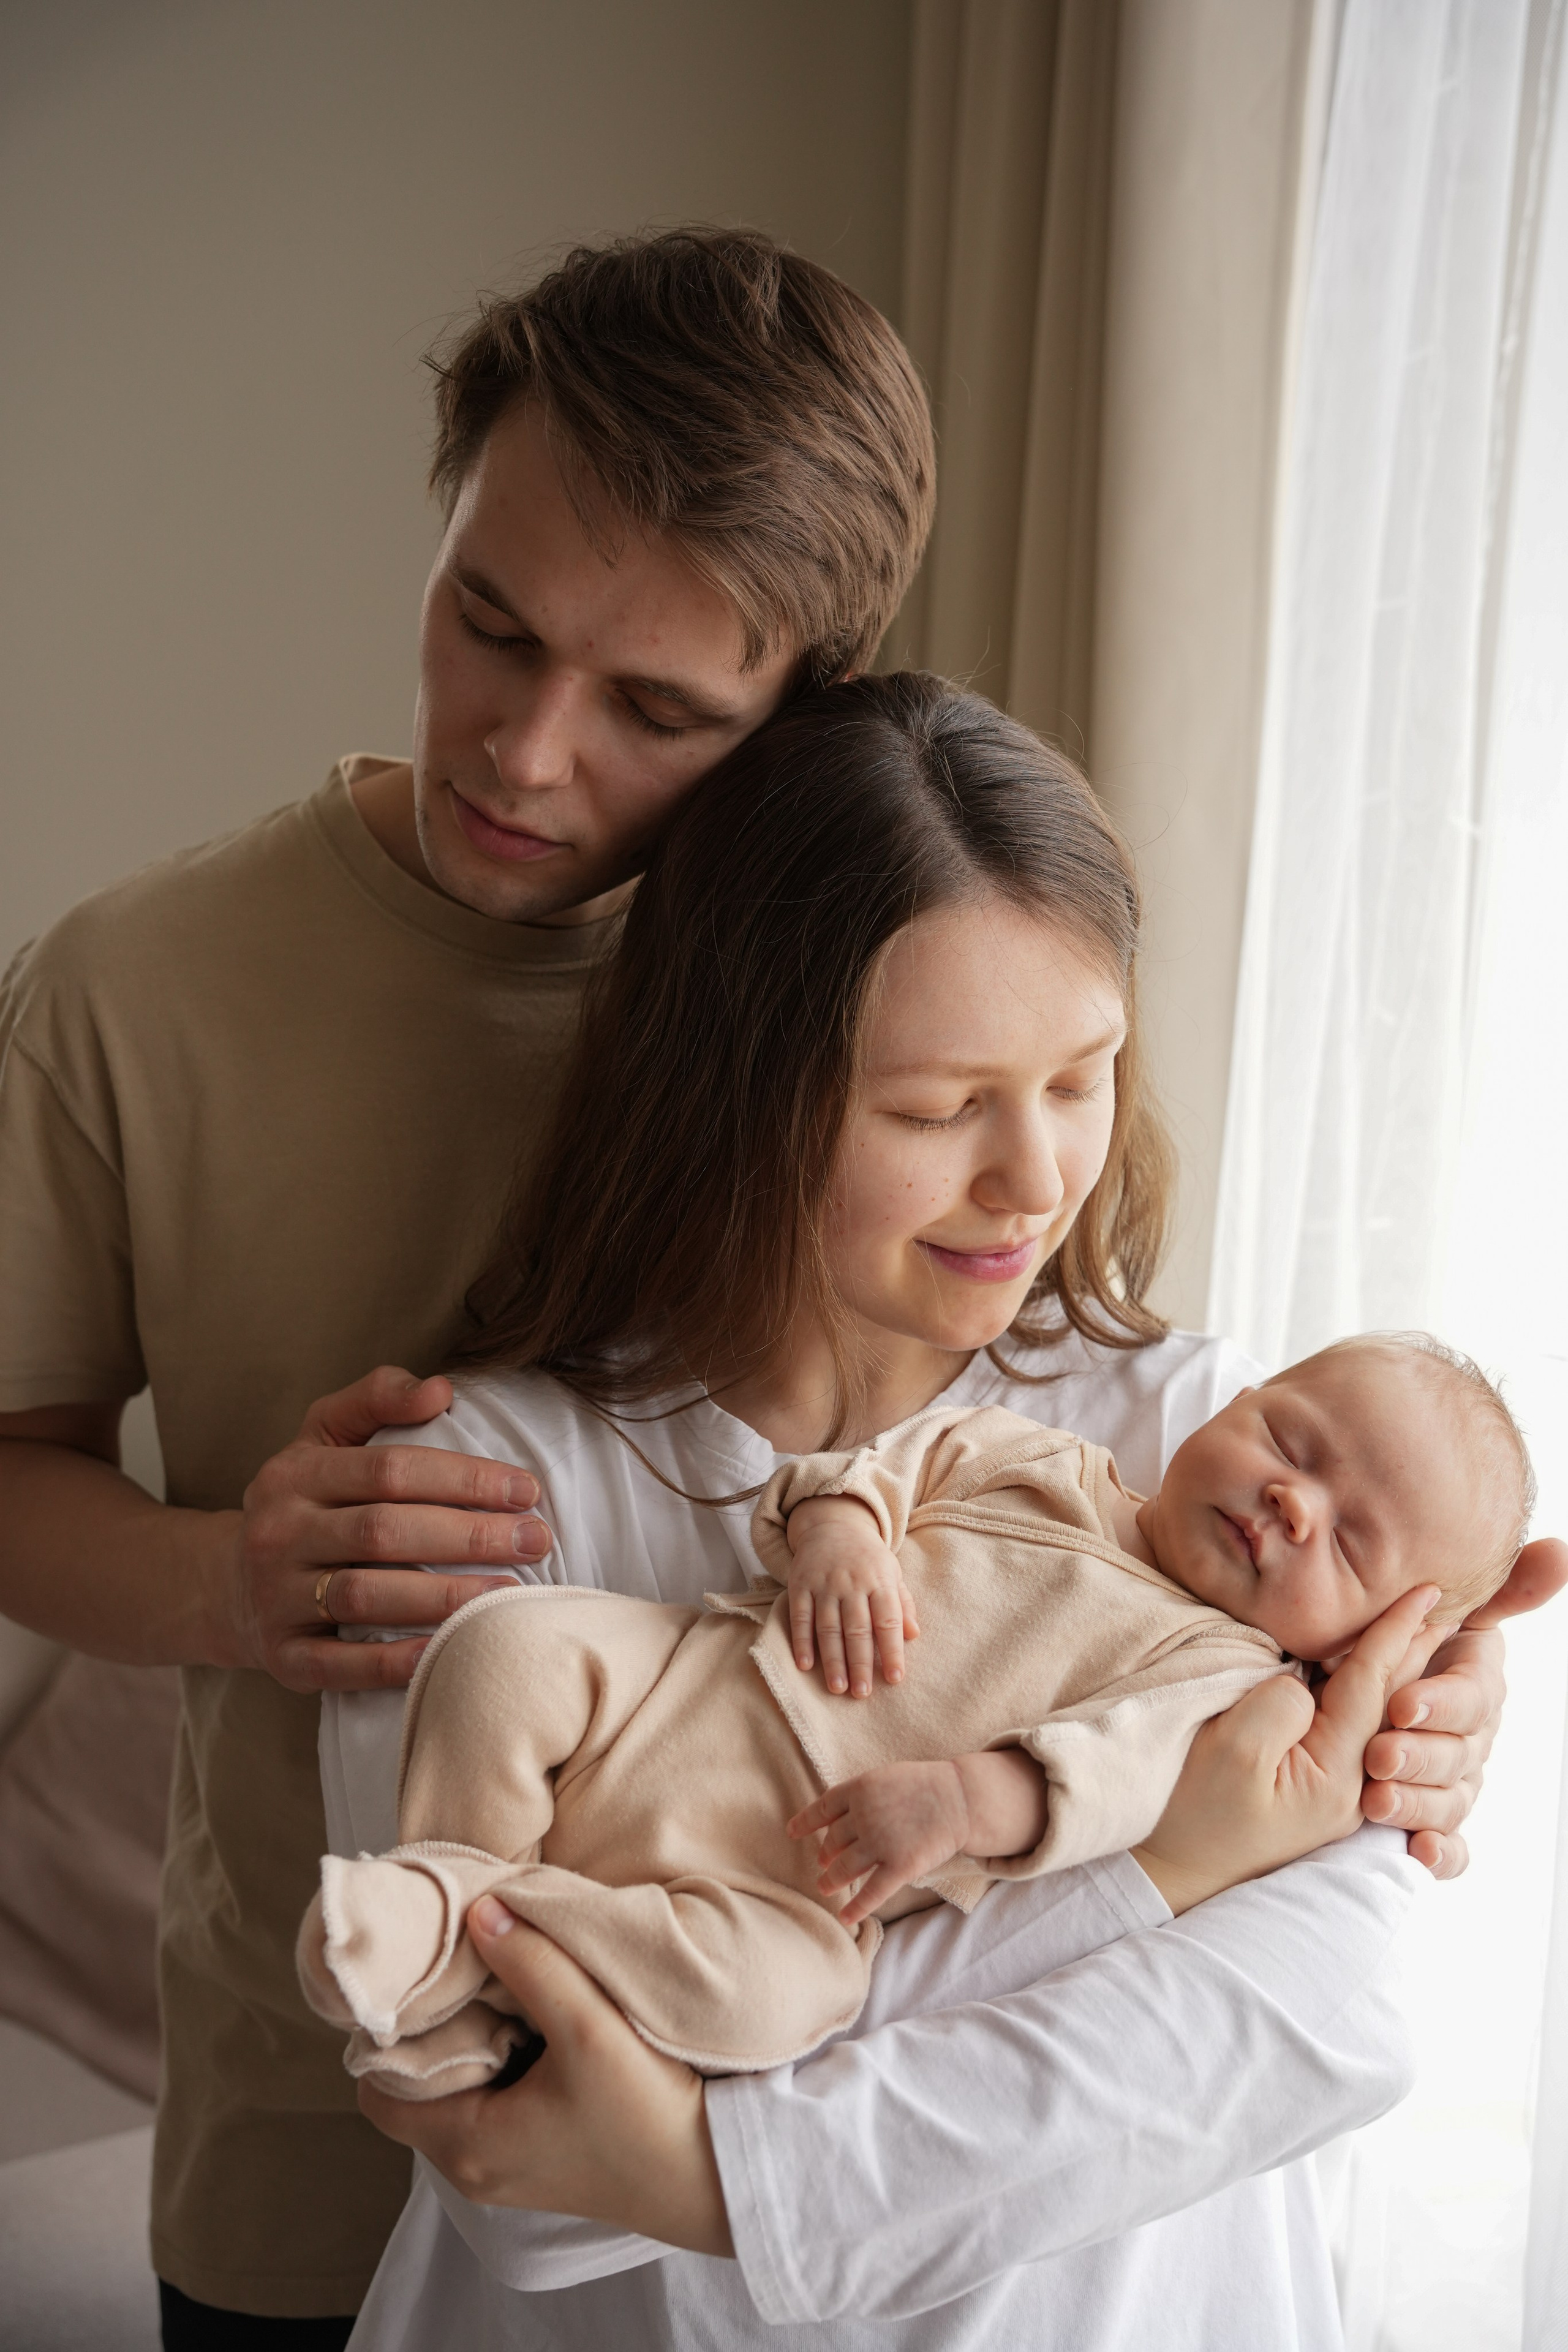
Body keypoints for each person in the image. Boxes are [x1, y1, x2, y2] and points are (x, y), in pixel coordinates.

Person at [322, 677, 1561, 2347]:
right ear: (735, 1096)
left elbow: (1329, 2024)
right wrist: (1174, 1874)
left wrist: (704, 2162)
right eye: (933, 1108)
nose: (1036, 1181)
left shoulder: (1215, 1444)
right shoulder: (481, 1494)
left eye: (1083, 1076)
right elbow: (519, 2166)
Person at [0, 229, 939, 2342]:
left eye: (658, 711)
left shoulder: (895, 1003)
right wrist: (227, 1586)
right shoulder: (129, 990)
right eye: (488, 626)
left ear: (808, 710)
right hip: (311, 2134)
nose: (523, 751)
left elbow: (1101, 1452)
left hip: (765, 2145)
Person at [298, 1331, 1534, 2096]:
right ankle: (457, 1880)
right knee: (502, 1652)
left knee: (765, 2007)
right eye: (1288, 1440)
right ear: (1231, 1404)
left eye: (1350, 1542)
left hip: (793, 1878)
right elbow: (866, 1474)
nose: (1291, 1501)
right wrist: (838, 1535)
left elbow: (1118, 1774)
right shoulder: (1039, 1459)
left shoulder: (1224, 1680)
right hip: (684, 1682)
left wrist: (963, 1800)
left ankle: (479, 1949)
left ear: (1369, 1638)